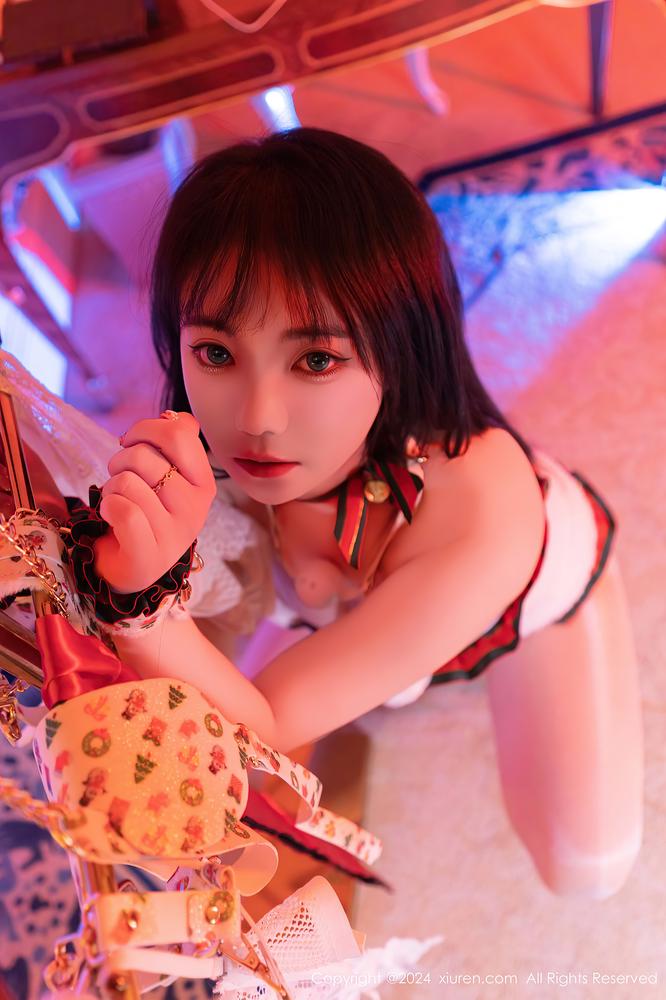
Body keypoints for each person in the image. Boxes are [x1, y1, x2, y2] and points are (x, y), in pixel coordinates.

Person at [12, 126, 645, 902]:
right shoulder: (190, 440)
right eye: (216, 352)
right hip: (344, 609)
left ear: (402, 342)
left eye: (316, 359)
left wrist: (143, 603)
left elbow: (269, 719)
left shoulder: (481, 508)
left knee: (585, 867)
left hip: (539, 598)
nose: (258, 418)